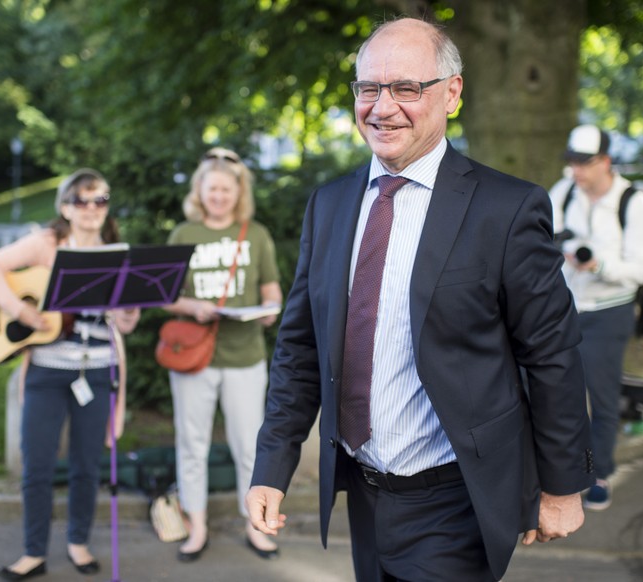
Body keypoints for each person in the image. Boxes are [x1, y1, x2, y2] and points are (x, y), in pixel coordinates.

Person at [245, 18, 594, 582]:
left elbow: (551, 355)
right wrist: (272, 467)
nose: (382, 107)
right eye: (368, 88)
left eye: (406, 88)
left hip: (454, 502)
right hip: (363, 493)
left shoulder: (506, 210)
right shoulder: (329, 206)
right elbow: (300, 348)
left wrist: (561, 486)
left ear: (451, 94)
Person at [0, 168, 139, 580]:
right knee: (38, 464)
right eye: (81, 201)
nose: (91, 209)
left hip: (98, 371)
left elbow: (127, 324)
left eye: (99, 200)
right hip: (46, 371)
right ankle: (33, 551)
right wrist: (22, 311)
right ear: (65, 206)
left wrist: (127, 310)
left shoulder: (117, 251)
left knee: (87, 465)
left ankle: (78, 543)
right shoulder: (48, 243)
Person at [163, 147, 283, 563]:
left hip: (244, 355)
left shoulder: (256, 235)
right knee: (191, 443)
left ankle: (256, 526)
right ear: (200, 191)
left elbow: (271, 292)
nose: (219, 196)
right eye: (212, 189)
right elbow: (163, 296)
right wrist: (191, 307)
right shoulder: (183, 235)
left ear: (238, 192)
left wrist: (269, 312)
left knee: (250, 446)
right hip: (194, 356)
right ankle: (196, 528)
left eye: (226, 189)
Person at [548, 124, 643, 511]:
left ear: (606, 161)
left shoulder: (633, 202)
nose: (576, 171)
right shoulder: (562, 193)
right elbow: (541, 234)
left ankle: (599, 474)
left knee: (601, 396)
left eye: (584, 163)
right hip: (563, 307)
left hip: (610, 309)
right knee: (555, 393)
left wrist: (598, 265)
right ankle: (559, 473)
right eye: (572, 162)